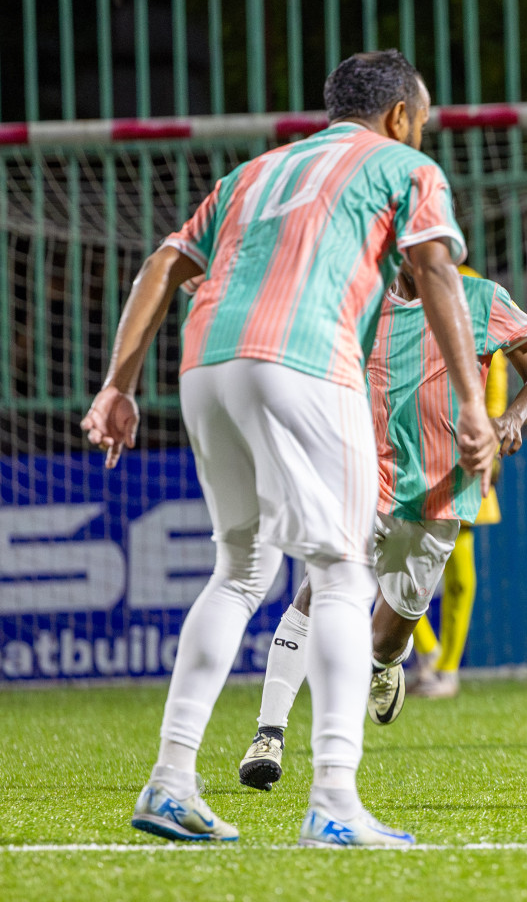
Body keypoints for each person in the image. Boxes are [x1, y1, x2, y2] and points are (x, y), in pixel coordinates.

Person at [81, 49, 499, 847]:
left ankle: (171, 781)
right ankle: (335, 800)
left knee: (238, 572)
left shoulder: (254, 172)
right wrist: (473, 404)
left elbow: (167, 261)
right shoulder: (405, 166)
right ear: (402, 115)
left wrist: (117, 386)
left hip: (206, 365)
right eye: (425, 117)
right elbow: (436, 267)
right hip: (307, 363)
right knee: (342, 574)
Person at [239, 265, 527, 789]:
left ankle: (386, 665)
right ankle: (268, 735)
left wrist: (513, 418)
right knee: (317, 591)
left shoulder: (480, 298)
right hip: (362, 475)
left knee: (389, 634)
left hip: (441, 490)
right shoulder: (357, 298)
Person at [408, 264, 515, 700]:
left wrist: (492, 432)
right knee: (395, 558)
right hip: (413, 441)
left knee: (460, 556)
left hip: (465, 440)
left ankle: (447, 668)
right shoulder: (401, 283)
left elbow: (497, 370)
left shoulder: (476, 290)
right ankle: (430, 655)